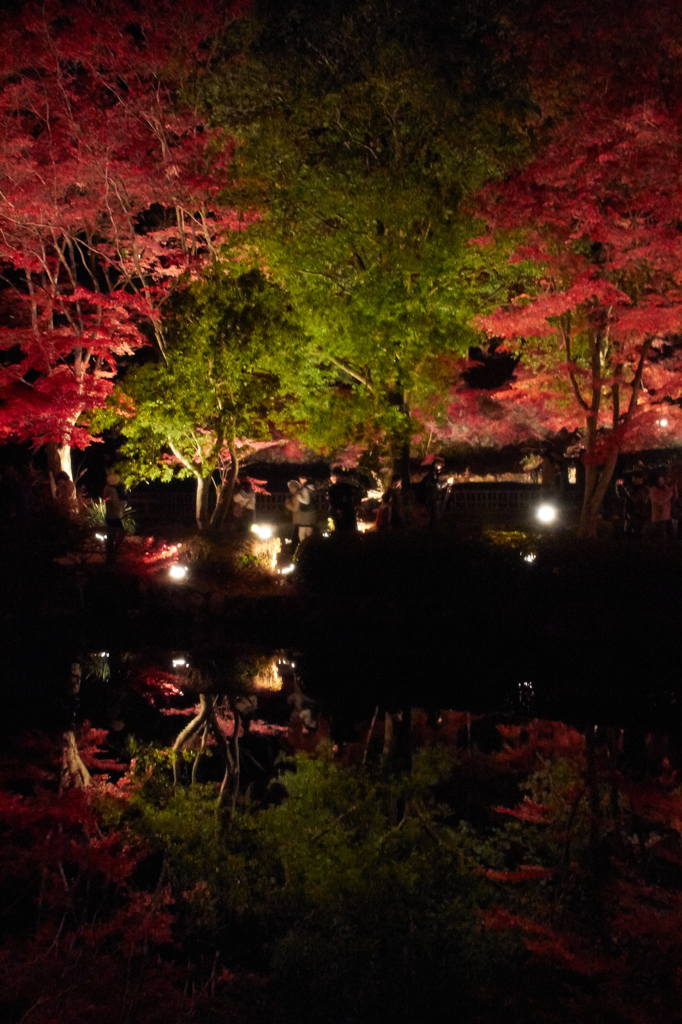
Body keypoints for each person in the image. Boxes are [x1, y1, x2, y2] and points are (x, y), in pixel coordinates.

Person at [617, 470, 649, 539]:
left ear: (641, 479)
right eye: (633, 478)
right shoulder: (631, 486)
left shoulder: (644, 488)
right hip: (629, 517)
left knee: (638, 537)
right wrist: (618, 486)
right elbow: (622, 497)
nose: (634, 480)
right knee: (627, 537)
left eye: (637, 478)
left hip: (639, 518)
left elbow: (635, 497)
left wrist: (625, 486)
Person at [102, 472, 126, 563]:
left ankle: (110, 555)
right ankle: (114, 552)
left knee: (111, 536)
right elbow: (115, 504)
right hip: (113, 516)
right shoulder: (111, 490)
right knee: (121, 533)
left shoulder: (106, 489)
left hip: (109, 515)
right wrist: (124, 503)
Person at [327, 466, 358, 532]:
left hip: (342, 514)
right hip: (348, 513)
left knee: (341, 531)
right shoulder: (348, 486)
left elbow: (332, 501)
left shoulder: (334, 489)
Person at [649, 473, 676, 542]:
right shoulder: (653, 490)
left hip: (667, 516)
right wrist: (670, 494)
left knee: (671, 536)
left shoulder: (665, 488)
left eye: (662, 480)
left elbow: (673, 497)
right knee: (662, 537)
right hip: (659, 517)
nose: (661, 482)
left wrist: (674, 488)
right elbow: (661, 500)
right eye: (659, 480)